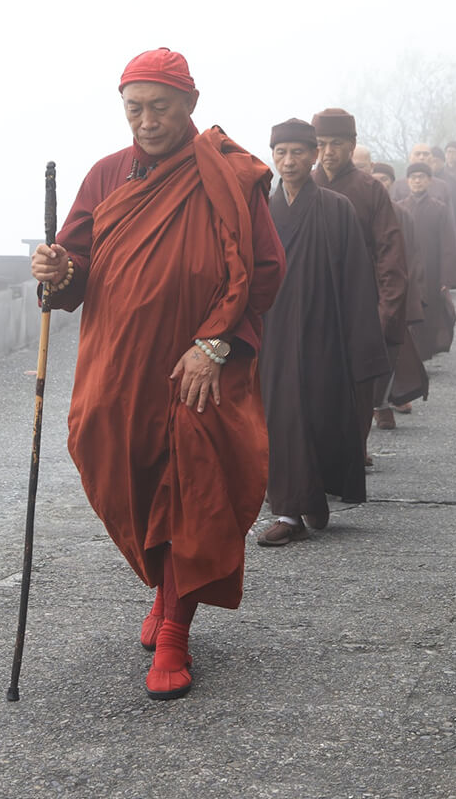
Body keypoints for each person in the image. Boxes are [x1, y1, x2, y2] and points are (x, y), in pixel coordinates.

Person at [30, 48, 285, 700]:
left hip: (198, 367)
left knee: (191, 491)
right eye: (133, 108)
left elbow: (263, 272)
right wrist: (58, 274)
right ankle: (163, 586)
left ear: (191, 105)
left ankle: (175, 627)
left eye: (160, 108)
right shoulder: (107, 176)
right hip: (119, 367)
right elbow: (77, 267)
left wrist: (215, 345)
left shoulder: (229, 175)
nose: (145, 121)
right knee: (114, 461)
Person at [257, 119, 388, 546]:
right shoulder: (261, 210)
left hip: (324, 332)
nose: (289, 161)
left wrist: (361, 342)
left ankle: (314, 497)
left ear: (313, 155)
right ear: (272, 157)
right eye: (281, 153)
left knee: (321, 413)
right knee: (283, 416)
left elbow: (356, 278)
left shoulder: (335, 208)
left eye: (298, 152)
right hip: (273, 332)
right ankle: (289, 511)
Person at [311, 108, 409, 450]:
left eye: (336, 143)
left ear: (352, 145)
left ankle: (353, 451)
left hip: (360, 303)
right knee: (315, 385)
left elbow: (391, 255)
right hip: (313, 304)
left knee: (357, 385)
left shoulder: (370, 190)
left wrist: (386, 311)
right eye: (320, 144)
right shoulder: (303, 185)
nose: (328, 152)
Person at [397, 163, 456, 360]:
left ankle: (425, 352)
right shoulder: (399, 208)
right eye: (413, 177)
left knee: (429, 311)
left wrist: (446, 278)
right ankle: (410, 356)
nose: (417, 181)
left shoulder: (439, 209)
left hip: (431, 270)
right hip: (406, 269)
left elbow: (448, 244)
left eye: (422, 177)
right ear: (407, 181)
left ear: (429, 181)